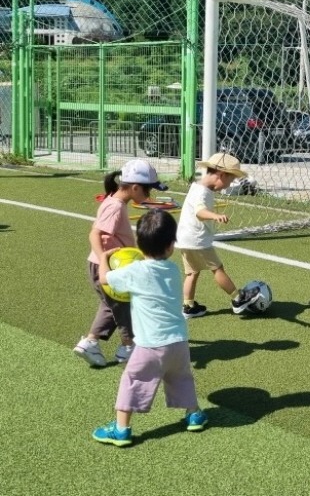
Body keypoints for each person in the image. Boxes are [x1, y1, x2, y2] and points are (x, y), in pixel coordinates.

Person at [92, 209, 207, 447]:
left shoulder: (135, 271)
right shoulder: (174, 270)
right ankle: (194, 413)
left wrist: (104, 258)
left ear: (140, 246)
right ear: (170, 246)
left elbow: (105, 279)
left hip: (150, 345)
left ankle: (121, 429)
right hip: (178, 341)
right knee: (181, 377)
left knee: (132, 380)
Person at [74, 158, 169, 367]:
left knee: (110, 306)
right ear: (135, 187)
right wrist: (104, 262)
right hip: (110, 268)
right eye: (148, 190)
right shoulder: (115, 207)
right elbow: (94, 234)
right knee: (125, 307)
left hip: (108, 266)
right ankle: (128, 347)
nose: (149, 195)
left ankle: (90, 342)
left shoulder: (113, 200)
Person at [176, 152, 260, 318]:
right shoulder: (203, 193)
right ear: (221, 175)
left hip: (184, 238)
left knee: (192, 273)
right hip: (198, 240)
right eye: (228, 181)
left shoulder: (197, 185)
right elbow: (200, 212)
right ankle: (238, 299)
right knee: (217, 269)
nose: (227, 186)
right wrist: (216, 216)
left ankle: (188, 306)